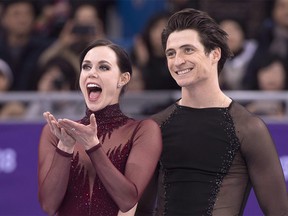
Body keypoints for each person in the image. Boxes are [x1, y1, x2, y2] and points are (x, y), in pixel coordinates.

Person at [136, 8, 288, 215]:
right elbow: (140, 209)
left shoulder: (248, 128)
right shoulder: (155, 126)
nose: (178, 61)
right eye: (171, 53)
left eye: (188, 50)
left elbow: (279, 211)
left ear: (215, 53)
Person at [37, 39, 162, 215]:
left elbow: (127, 200)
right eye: (86, 67)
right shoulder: (56, 133)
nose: (91, 73)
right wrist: (65, 147)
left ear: (123, 78)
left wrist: (92, 147)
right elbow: (48, 206)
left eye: (103, 67)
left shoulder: (143, 131)